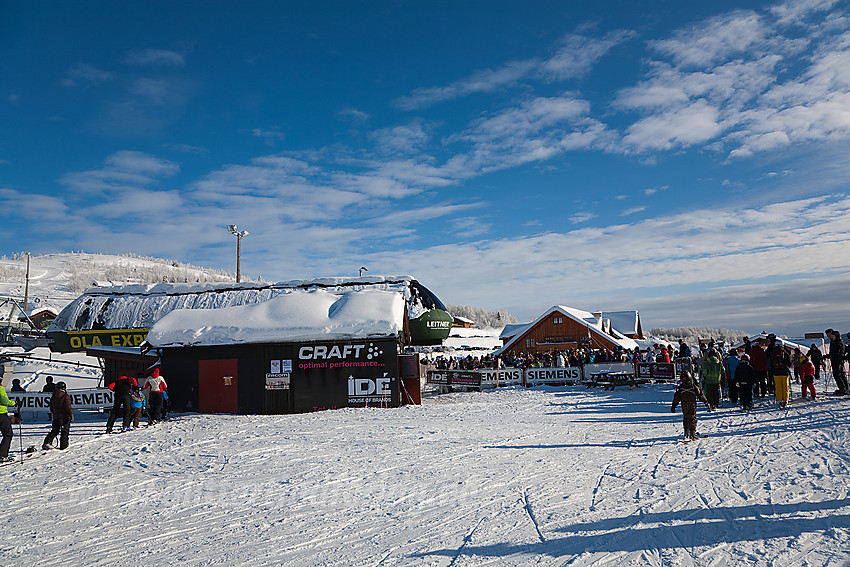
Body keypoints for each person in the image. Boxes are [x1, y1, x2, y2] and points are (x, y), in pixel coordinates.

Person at [671, 371, 712, 441]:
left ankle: (687, 431)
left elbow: (676, 398)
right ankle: (692, 432)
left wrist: (674, 405)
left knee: (686, 417)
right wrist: (705, 401)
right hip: (691, 404)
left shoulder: (681, 388)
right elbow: (700, 395)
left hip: (684, 404)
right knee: (692, 417)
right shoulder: (693, 387)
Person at [42, 381, 73, 450]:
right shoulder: (65, 396)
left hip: (56, 416)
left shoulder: (53, 396)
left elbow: (51, 407)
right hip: (64, 416)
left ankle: (47, 442)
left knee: (55, 430)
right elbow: (67, 406)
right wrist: (70, 414)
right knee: (64, 431)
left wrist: (55, 413)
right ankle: (64, 445)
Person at [767, 335, 792, 407]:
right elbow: (789, 364)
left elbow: (771, 363)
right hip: (784, 372)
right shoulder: (785, 353)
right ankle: (785, 400)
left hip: (776, 372)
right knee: (785, 386)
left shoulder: (772, 353)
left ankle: (779, 400)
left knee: (778, 386)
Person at [826, 329, 848, 395]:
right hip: (837, 360)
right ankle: (845, 388)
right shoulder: (836, 342)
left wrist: (829, 356)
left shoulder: (838, 343)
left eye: (832, 335)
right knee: (841, 374)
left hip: (837, 360)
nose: (830, 336)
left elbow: (836, 353)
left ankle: (843, 389)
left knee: (838, 374)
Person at [0, 378, 17, 462]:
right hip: (1, 414)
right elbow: (3, 400)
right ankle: (2, 455)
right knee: (8, 434)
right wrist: (14, 403)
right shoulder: (0, 388)